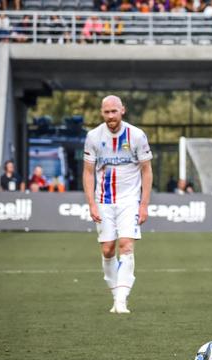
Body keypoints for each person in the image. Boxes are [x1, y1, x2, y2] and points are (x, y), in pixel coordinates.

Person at [83, 95, 153, 314]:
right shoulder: (93, 137)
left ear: (123, 110)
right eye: (106, 112)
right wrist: (91, 204)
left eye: (114, 111)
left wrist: (144, 204)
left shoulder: (137, 135)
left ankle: (121, 300)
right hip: (103, 200)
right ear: (101, 113)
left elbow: (146, 170)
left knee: (126, 244)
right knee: (107, 249)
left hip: (129, 201)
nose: (111, 116)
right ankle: (116, 294)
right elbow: (87, 172)